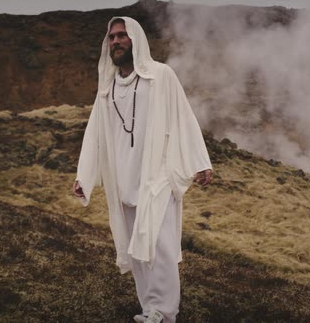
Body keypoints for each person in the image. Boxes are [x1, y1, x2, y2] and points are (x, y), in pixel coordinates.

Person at [73, 16, 212, 323]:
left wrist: (200, 162)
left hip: (158, 176)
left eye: (122, 36)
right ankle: (150, 309)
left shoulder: (161, 76)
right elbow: (95, 134)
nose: (116, 42)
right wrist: (85, 176)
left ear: (136, 39)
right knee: (137, 249)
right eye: (111, 38)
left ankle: (164, 312)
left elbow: (183, 117)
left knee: (159, 247)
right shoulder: (107, 88)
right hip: (124, 181)